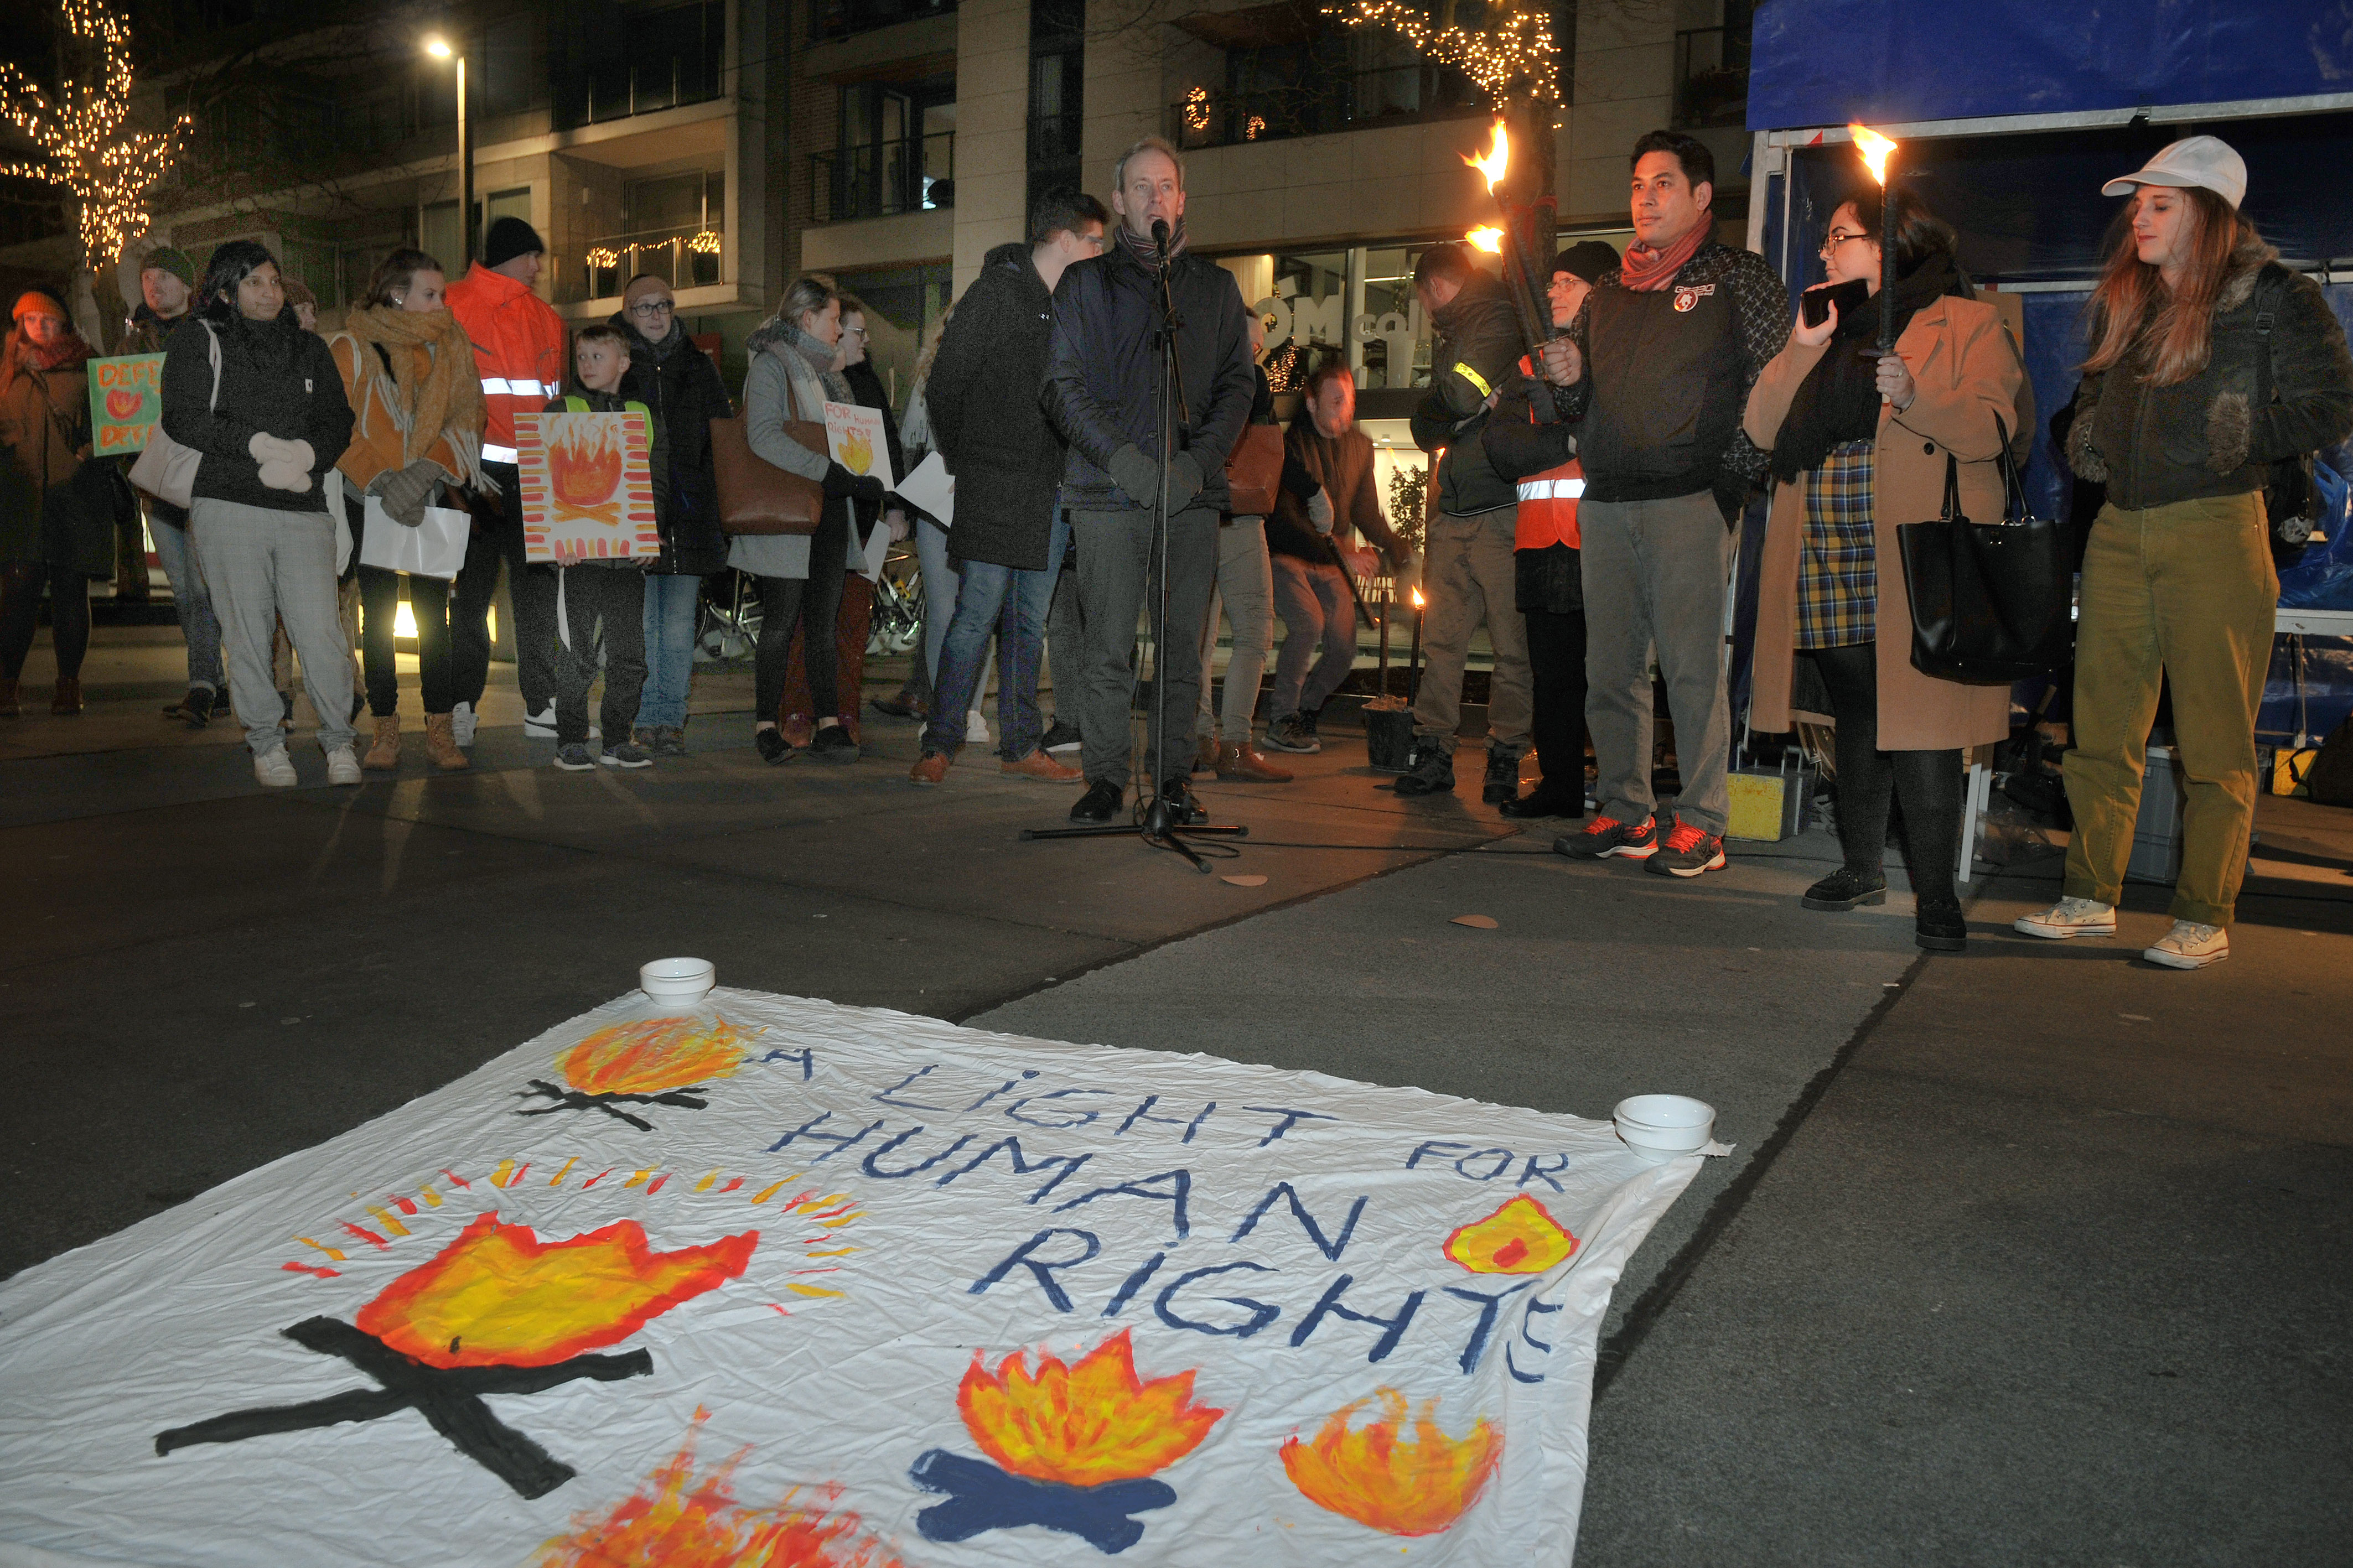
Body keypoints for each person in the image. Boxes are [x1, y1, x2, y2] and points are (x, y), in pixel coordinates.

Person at [2020, 137, 2353, 968]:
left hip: (2216, 526)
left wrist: (2247, 435)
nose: (2139, 214)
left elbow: (2335, 403)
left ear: (2207, 214)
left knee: (2214, 740)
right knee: (2099, 728)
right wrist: (2088, 430)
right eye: (2139, 201)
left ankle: (2206, 911)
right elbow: (2094, 391)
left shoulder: (2275, 296)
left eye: (2160, 203)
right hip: (2120, 530)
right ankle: (2090, 896)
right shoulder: (2131, 298)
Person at [1744, 184, 2027, 952]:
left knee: (1921, 723)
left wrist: (1914, 393)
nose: (1827, 252)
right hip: (1826, 535)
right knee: (1857, 712)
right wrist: (1802, 347)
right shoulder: (1827, 331)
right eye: (1829, 239)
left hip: (1916, 544)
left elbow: (1995, 426)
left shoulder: (1968, 321)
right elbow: (1762, 427)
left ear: (1892, 241)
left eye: (1843, 237)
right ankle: (1863, 865)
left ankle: (1937, 897)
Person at [1549, 129, 1787, 876]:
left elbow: (1777, 380)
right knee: (1610, 669)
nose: (1645, 198)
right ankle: (1626, 813)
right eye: (1637, 185)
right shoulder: (1610, 293)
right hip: (1608, 500)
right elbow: (1577, 406)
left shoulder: (1739, 278)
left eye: (1662, 184)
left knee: (1690, 669)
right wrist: (1565, 377)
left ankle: (1704, 823)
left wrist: (1730, 479)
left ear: (1701, 197)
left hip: (1690, 499)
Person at [1043, 136, 1256, 823]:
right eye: (1141, 186)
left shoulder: (1215, 289)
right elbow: (1062, 386)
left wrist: (1197, 464)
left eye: (1165, 186)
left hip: (1190, 496)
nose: (1155, 197)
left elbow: (1237, 387)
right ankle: (1105, 778)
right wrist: (1124, 461)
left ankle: (1171, 781)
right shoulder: (1085, 285)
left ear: (1182, 199)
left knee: (1181, 654)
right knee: (1107, 647)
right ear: (1120, 200)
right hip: (1108, 494)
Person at [911, 188, 1108, 787]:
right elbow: (945, 382)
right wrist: (966, 457)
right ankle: (940, 740)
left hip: (1049, 489)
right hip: (995, 484)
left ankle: (1020, 744)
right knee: (976, 613)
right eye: (1096, 240)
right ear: (1066, 240)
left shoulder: (1069, 307)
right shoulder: (998, 292)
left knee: (1028, 621)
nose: (1102, 251)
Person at [160, 241, 357, 787]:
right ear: (226, 290)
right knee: (246, 632)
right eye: (255, 282)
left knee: (319, 630)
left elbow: (339, 420)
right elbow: (182, 417)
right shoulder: (198, 340)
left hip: (302, 508)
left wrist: (310, 454)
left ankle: (339, 737)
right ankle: (266, 742)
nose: (269, 292)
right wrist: (257, 443)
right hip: (228, 504)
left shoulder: (310, 349)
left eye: (273, 281)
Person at [326, 247, 487, 773]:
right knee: (376, 623)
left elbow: (468, 416)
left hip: (428, 498)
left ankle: (439, 733)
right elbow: (335, 424)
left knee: (432, 621)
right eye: (431, 294)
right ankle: (385, 732)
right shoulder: (352, 345)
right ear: (398, 293)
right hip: (367, 499)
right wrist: (383, 480)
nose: (442, 304)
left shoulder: (451, 347)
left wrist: (425, 473)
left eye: (442, 294)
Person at [1483, 240, 1620, 822]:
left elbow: (1618, 435)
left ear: (1600, 291)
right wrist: (1566, 441)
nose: (1554, 291)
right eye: (1552, 281)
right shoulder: (1525, 367)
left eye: (1569, 281)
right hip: (1542, 544)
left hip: (1606, 543)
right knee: (1553, 679)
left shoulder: (1619, 359)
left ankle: (1619, 795)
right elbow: (1501, 445)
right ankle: (1560, 788)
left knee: (1612, 679)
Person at [1399, 241, 1533, 802]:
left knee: (1510, 647)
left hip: (1499, 508)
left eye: (1423, 301)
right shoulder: (1465, 327)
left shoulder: (1496, 315)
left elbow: (1454, 394)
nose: (1426, 312)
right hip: (1457, 507)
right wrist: (1448, 416)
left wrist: (1445, 412)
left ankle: (1504, 756)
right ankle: (1434, 751)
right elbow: (1440, 417)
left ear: (1432, 288)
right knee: (1444, 643)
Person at [733, 273, 884, 764]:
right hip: (790, 511)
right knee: (780, 621)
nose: (839, 330)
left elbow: (844, 438)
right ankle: (765, 725)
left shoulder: (828, 373)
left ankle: (828, 723)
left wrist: (859, 473)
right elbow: (762, 436)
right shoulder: (772, 366)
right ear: (807, 318)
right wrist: (829, 471)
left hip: (827, 508)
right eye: (834, 320)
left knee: (822, 620)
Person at [445, 215, 564, 743]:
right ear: (505, 257)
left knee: (533, 596)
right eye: (530, 256)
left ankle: (538, 703)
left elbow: (555, 400)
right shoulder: (452, 305)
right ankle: (460, 707)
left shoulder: (548, 318)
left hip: (532, 475)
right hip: (472, 476)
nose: (538, 267)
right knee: (472, 597)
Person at [1263, 360, 1413, 759]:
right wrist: (1347, 552)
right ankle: (1282, 717)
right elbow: (1288, 519)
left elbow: (1365, 510)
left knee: (1344, 648)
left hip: (1331, 562)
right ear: (1311, 403)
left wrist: (1393, 544)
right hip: (1288, 557)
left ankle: (1307, 711)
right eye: (1336, 401)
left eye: (1349, 401)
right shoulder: (1290, 448)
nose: (1345, 411)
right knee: (1308, 623)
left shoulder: (1360, 447)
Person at [779, 295, 906, 746]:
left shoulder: (867, 383)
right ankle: (797, 711)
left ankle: (845, 714)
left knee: (854, 620)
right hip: (819, 517)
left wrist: (895, 506)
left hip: (866, 521)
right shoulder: (808, 382)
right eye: (856, 330)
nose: (863, 340)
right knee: (806, 621)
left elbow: (888, 448)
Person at [613, 274, 730, 756]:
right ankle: (643, 716)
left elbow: (721, 439)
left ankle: (670, 718)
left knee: (679, 623)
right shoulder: (615, 366)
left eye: (664, 305)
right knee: (642, 624)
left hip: (691, 516)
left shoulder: (700, 367)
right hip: (634, 512)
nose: (657, 315)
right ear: (627, 315)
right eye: (645, 307)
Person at [544, 325, 660, 771]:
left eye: (598, 356)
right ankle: (571, 739)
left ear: (624, 363)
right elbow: (544, 477)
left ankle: (617, 738)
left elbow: (658, 483)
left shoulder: (643, 415)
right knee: (578, 655)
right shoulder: (562, 409)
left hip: (629, 559)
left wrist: (651, 534)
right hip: (579, 559)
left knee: (630, 655)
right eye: (582, 357)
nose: (588, 365)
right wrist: (557, 541)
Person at [119, 247, 227, 728]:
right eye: (147, 277)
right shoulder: (130, 343)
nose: (154, 285)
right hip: (153, 482)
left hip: (204, 477)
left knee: (207, 584)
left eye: (165, 276)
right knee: (184, 589)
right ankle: (209, 683)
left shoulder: (211, 333)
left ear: (188, 286)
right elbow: (115, 410)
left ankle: (205, 683)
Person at [1190, 310, 1293, 783]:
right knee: (1254, 628)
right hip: (1236, 514)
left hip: (1193, 512)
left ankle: (1197, 740)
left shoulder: (1187, 372)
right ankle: (1236, 744)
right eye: (1254, 343)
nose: (1258, 352)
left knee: (1200, 635)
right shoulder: (1247, 376)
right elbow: (1263, 433)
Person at [0, 292, 99, 717]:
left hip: (73, 494)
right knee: (17, 593)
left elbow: (117, 419)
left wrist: (95, 448)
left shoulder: (88, 364)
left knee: (70, 592)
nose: (38, 327)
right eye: (30, 319)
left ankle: (68, 684)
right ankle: (7, 685)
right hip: (21, 498)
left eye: (48, 319)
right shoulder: (7, 369)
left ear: (65, 324)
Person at [874, 307, 955, 722]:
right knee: (943, 608)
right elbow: (909, 449)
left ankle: (948, 703)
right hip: (936, 501)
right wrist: (901, 506)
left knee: (966, 609)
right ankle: (937, 704)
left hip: (964, 501)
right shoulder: (925, 382)